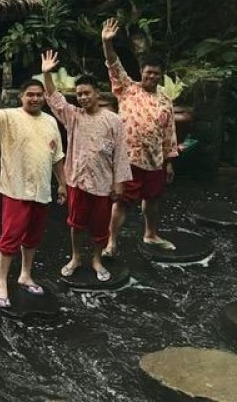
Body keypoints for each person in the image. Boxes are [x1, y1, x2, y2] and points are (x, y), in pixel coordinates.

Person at [0, 67, 66, 308]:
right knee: (10, 239)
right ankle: (3, 282)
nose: (35, 98)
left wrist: (63, 185)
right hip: (15, 189)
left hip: (42, 190)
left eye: (39, 95)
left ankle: (25, 274)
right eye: (30, 95)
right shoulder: (9, 116)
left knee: (33, 237)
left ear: (44, 98)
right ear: (21, 97)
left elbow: (57, 156)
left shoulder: (50, 122)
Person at [41, 50, 131, 281]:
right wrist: (46, 74)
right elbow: (54, 99)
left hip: (102, 183)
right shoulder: (74, 116)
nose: (82, 97)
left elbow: (121, 154)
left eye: (86, 93)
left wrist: (118, 183)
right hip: (77, 181)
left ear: (97, 94)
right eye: (79, 94)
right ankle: (76, 257)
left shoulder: (113, 120)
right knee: (75, 224)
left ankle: (97, 259)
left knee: (101, 228)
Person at [101, 18, 178, 254]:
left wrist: (169, 162)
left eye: (156, 74)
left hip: (154, 159)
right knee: (122, 201)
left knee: (152, 199)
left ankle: (151, 234)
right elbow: (114, 65)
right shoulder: (127, 89)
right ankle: (111, 242)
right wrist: (107, 43)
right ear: (141, 73)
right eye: (148, 73)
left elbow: (169, 133)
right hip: (129, 158)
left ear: (161, 76)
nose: (151, 77)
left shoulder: (166, 100)